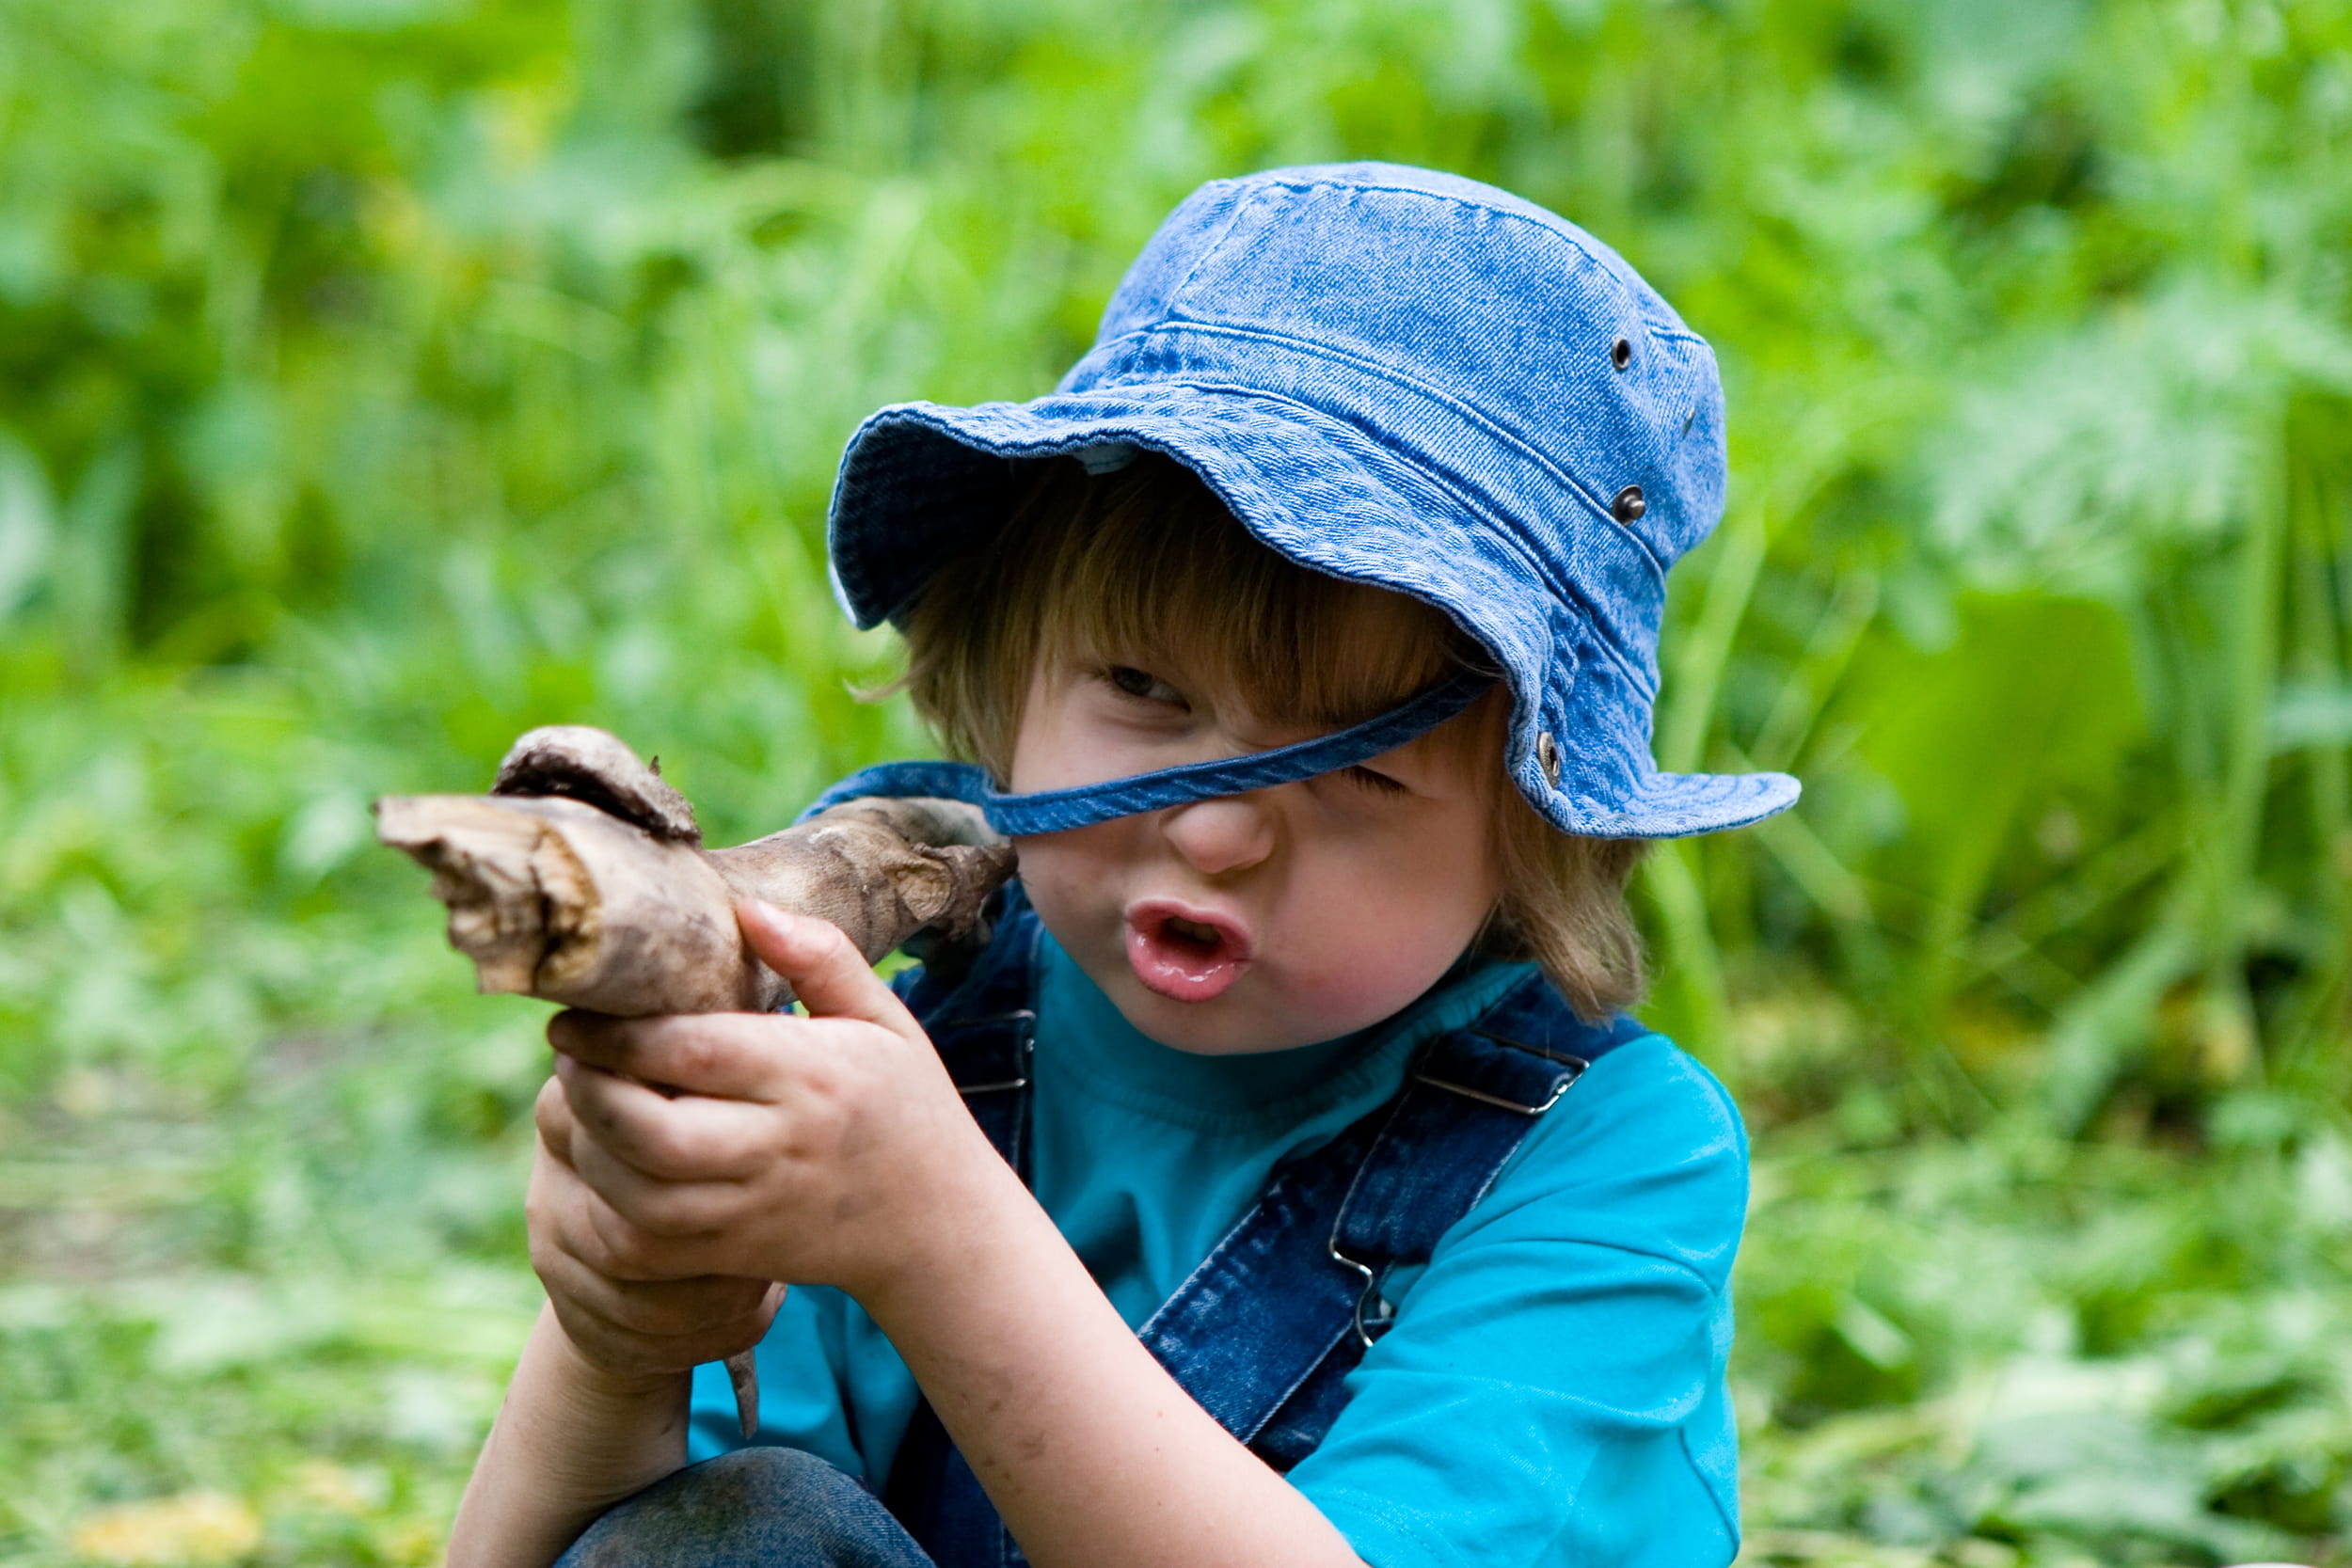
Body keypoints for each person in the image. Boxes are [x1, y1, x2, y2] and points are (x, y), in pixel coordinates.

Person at [446, 162, 1799, 1568]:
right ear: (1007, 678)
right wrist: (616, 1340)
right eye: (1147, 688)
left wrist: (938, 1238)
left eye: (1358, 770)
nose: (1216, 830)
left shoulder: (1607, 1154)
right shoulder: (897, 1037)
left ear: (1536, 829)